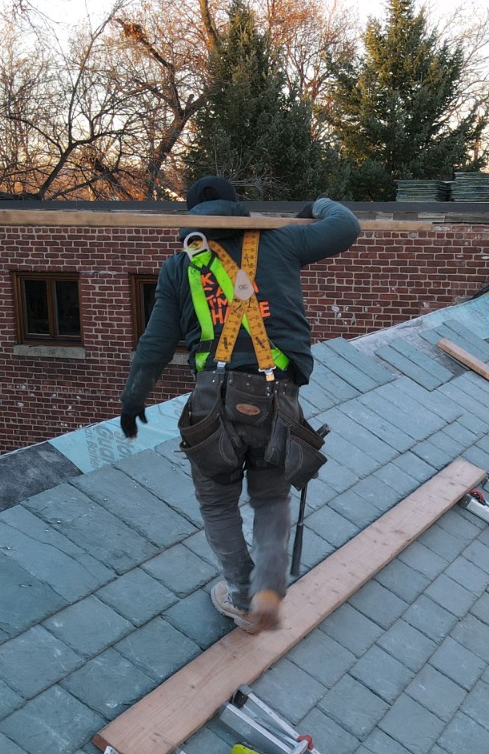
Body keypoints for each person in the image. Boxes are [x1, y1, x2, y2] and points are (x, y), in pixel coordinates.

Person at [119, 176, 360, 632]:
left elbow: (154, 345)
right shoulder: (282, 243)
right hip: (277, 399)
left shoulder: (179, 269)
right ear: (238, 208)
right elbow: (345, 226)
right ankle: (269, 587)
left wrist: (133, 400)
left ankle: (243, 595)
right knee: (270, 498)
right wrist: (317, 203)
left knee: (217, 503)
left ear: (192, 217)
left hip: (214, 404)